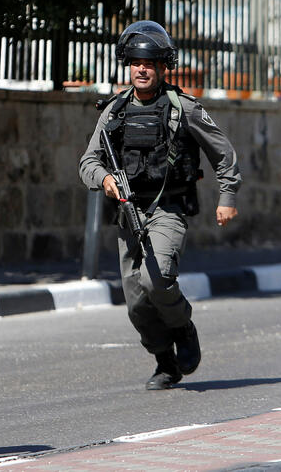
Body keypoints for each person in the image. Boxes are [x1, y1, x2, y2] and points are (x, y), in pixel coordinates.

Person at [80, 21, 241, 390]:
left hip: (168, 210)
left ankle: (183, 327)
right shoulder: (114, 112)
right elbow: (88, 161)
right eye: (135, 61)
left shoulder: (182, 108)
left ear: (163, 67)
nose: (141, 68)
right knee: (135, 302)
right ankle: (164, 360)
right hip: (128, 212)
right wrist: (105, 179)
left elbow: (223, 152)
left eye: (149, 62)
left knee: (156, 280)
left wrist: (227, 196)